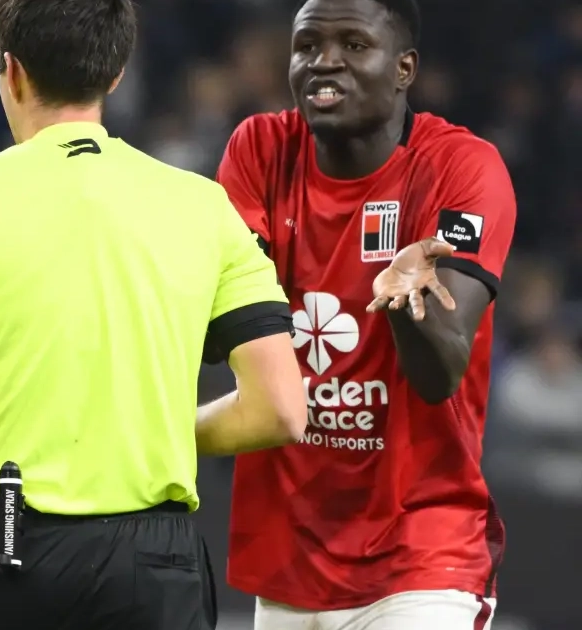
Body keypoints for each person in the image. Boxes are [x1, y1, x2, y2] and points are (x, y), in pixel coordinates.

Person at [0, 1, 307, 629]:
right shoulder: (203, 205)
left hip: (4, 548)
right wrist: (149, 431)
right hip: (155, 567)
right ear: (115, 73)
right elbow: (280, 408)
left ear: (11, 70)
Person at [216, 0, 514, 628]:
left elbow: (441, 375)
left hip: (421, 558)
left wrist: (404, 306)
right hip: (289, 558)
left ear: (404, 68)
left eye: (353, 45)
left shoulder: (461, 168)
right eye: (307, 46)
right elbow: (222, 329)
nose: (324, 62)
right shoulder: (260, 148)